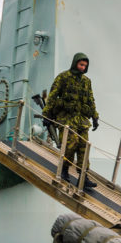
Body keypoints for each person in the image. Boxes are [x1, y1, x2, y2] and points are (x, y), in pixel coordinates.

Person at [42, 52, 99, 187]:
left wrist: (95, 116)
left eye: (85, 66)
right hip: (66, 119)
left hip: (82, 121)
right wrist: (46, 115)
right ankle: (64, 169)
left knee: (83, 147)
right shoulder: (63, 77)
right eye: (81, 64)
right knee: (71, 144)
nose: (82, 68)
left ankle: (83, 177)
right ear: (75, 63)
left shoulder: (86, 81)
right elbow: (52, 96)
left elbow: (90, 100)